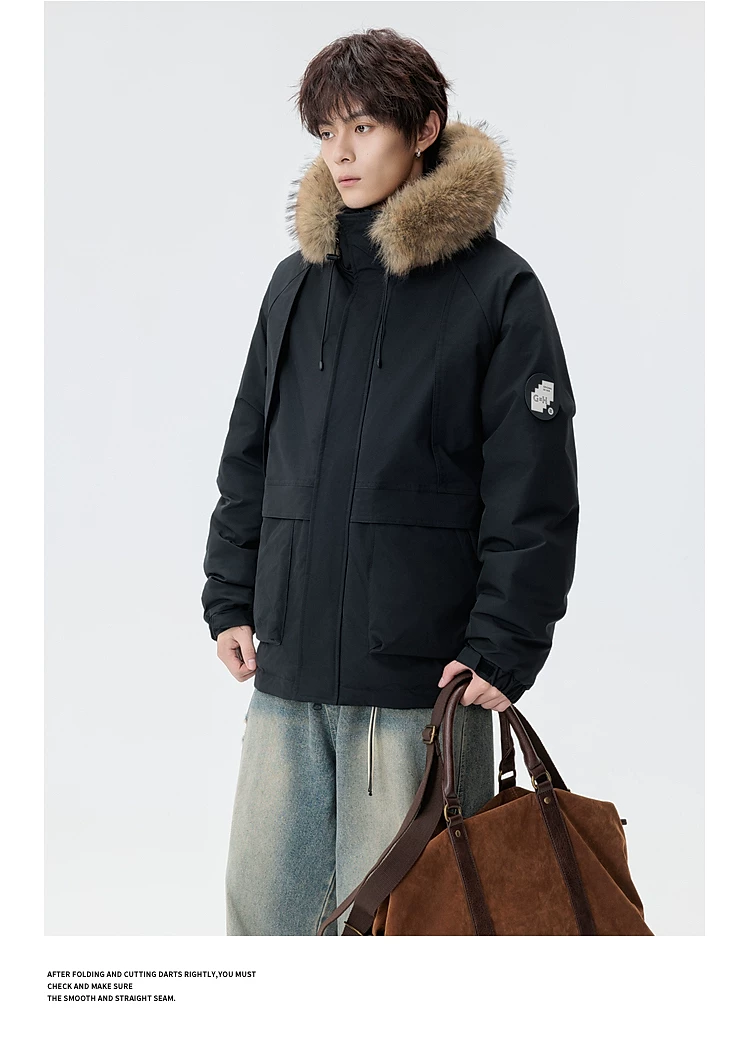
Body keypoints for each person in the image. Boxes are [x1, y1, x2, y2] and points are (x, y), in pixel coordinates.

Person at [201, 28, 579, 936]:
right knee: (265, 923)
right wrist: (230, 594)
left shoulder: (498, 290)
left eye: (363, 127)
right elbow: (250, 452)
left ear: (424, 130)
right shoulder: (295, 285)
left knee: (410, 932)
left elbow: (533, 484)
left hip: (419, 689)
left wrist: (506, 640)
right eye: (326, 131)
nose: (340, 152)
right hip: (288, 672)